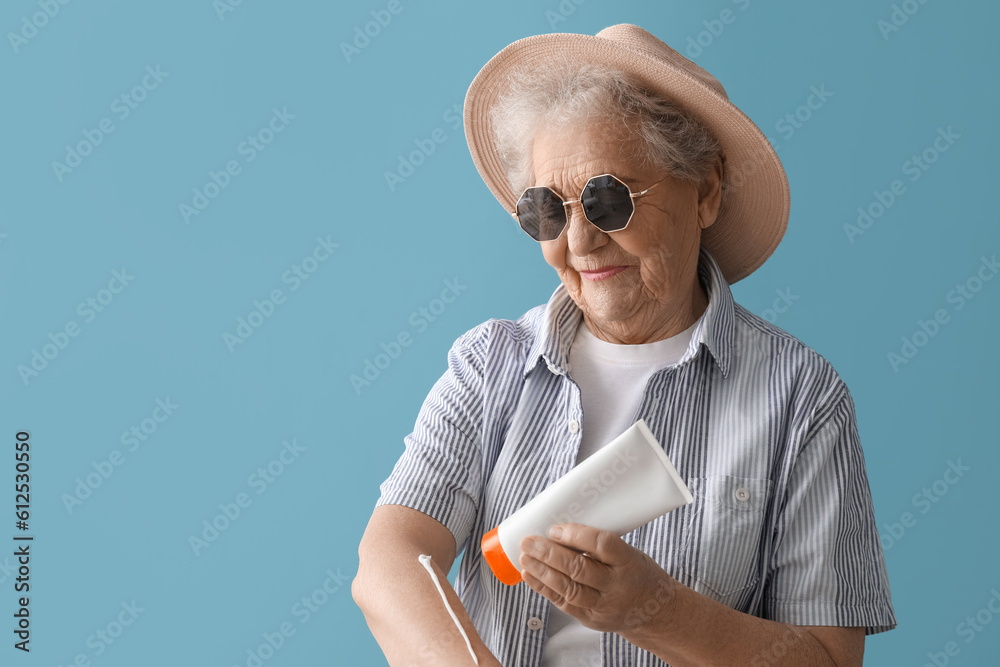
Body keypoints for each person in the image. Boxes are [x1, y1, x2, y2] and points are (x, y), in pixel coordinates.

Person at [353, 24, 896, 667]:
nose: (579, 243)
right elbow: (389, 561)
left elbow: (831, 659)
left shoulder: (801, 396)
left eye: (608, 200)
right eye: (547, 210)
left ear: (706, 191)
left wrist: (659, 610)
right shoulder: (490, 366)